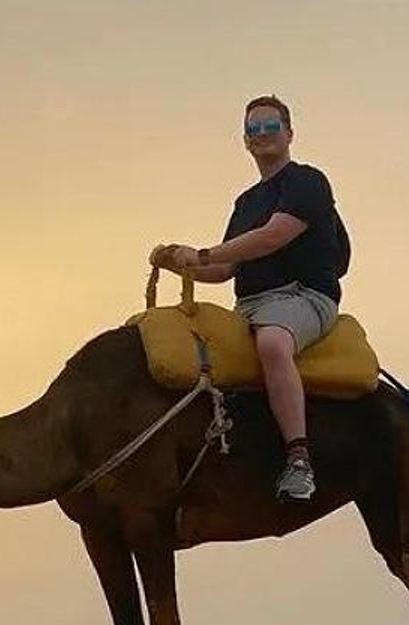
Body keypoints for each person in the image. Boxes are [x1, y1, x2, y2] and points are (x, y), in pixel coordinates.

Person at [151, 95, 350, 501]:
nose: (262, 136)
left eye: (270, 127)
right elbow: (224, 270)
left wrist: (203, 253)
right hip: (250, 305)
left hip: (303, 297)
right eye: (253, 130)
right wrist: (178, 262)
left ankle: (299, 460)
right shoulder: (245, 203)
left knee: (273, 343)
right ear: (245, 141)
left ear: (289, 133)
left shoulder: (307, 181)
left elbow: (272, 237)